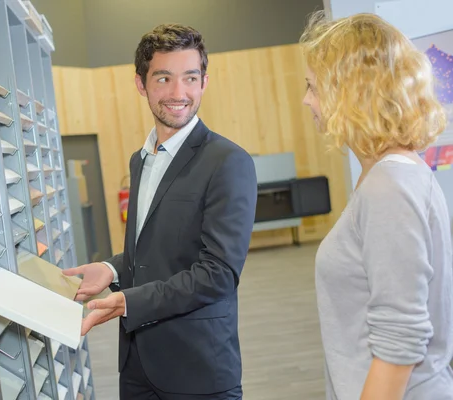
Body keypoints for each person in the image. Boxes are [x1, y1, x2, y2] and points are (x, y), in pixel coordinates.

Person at [62, 23, 257, 399]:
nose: (178, 93)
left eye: (190, 77)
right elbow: (154, 250)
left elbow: (218, 274)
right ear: (141, 84)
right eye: (164, 78)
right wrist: (111, 269)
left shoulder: (228, 162)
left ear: (204, 82)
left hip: (197, 368)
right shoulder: (141, 160)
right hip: (137, 366)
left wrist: (128, 301)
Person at [300, 11, 453, 400]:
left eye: (313, 87)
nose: (307, 100)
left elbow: (400, 338)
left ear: (349, 91)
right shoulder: (388, 174)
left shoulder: (390, 186)